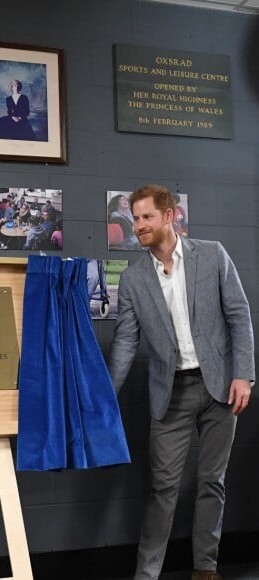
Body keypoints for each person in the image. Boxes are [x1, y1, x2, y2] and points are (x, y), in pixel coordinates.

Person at [108, 184, 255, 580]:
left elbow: (239, 316)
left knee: (212, 482)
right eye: (135, 218)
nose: (138, 225)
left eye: (146, 217)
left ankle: (205, 568)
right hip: (169, 393)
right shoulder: (134, 278)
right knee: (162, 489)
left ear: (170, 216)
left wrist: (243, 374)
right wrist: (106, 396)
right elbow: (125, 342)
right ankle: (147, 574)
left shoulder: (212, 255)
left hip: (221, 387)